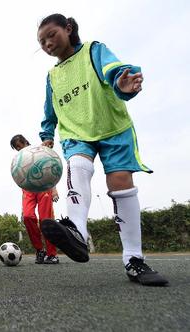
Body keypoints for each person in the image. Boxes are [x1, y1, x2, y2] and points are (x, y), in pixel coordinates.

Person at [36, 14, 167, 285]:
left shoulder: (93, 50)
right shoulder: (52, 76)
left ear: (68, 28)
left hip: (113, 129)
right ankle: (77, 232)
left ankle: (134, 260)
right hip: (75, 134)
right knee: (77, 166)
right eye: (42, 41)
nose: (47, 43)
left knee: (121, 184)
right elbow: (50, 110)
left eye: (51, 34)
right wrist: (47, 135)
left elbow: (115, 70)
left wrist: (122, 83)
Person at [10, 134, 59, 264]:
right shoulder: (19, 159)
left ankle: (52, 254)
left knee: (46, 220)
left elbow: (50, 169)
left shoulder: (39, 151)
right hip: (28, 190)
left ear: (26, 142)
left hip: (43, 188)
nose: (19, 149)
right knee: (27, 216)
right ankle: (39, 250)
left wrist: (54, 189)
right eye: (16, 148)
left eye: (20, 146)